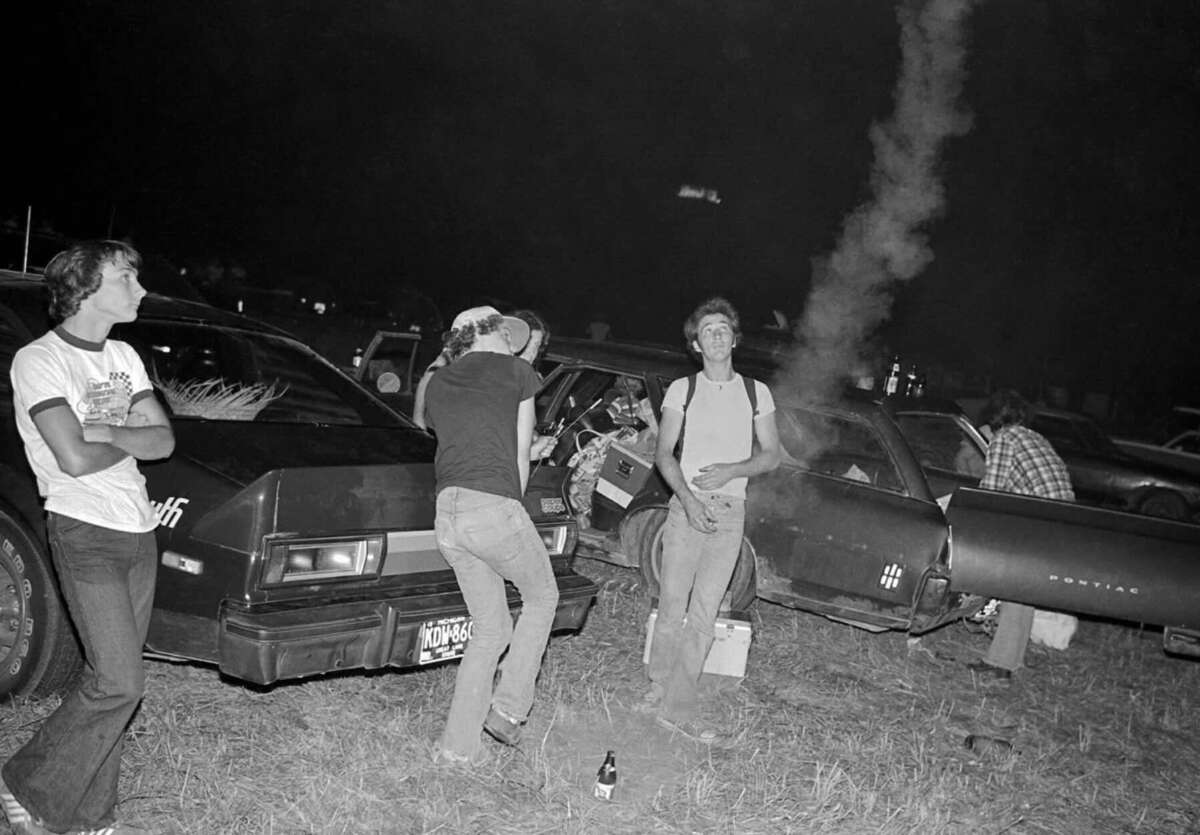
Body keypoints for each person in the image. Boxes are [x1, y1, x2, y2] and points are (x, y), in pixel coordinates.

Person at [1, 240, 175, 835]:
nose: (141, 289)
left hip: (137, 528)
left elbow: (165, 442)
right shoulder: (39, 361)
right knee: (122, 681)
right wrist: (123, 430)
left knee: (110, 681)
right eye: (127, 277)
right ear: (85, 287)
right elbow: (72, 458)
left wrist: (102, 427)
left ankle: (90, 817)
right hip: (84, 529)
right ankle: (27, 781)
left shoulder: (124, 354)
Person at [424, 306, 560, 765]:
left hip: (448, 515)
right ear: (489, 333)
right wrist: (511, 508)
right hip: (493, 507)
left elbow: (460, 434)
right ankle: (508, 709)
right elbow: (519, 453)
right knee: (542, 597)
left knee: (491, 628)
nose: (515, 341)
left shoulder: (439, 382)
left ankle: (458, 747)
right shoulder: (518, 372)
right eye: (506, 332)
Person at [644, 297, 781, 742]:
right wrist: (686, 498)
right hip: (687, 508)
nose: (717, 334)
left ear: (734, 338)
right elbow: (664, 454)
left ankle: (677, 706)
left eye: (723, 327)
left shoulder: (756, 392)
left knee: (705, 613)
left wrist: (733, 470)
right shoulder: (682, 390)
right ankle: (658, 685)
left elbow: (772, 455)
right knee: (671, 607)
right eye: (707, 330)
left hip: (729, 512)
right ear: (696, 344)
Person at [970, 388, 1074, 680]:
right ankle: (1008, 660)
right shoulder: (1034, 437)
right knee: (1022, 590)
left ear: (993, 419)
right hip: (1062, 521)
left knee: (1015, 586)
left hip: (1041, 520)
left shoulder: (1004, 438)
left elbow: (991, 491)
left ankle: (1000, 664)